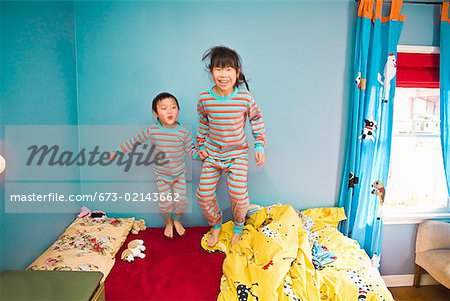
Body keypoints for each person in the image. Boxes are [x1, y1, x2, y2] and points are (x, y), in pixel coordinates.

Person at [196, 46, 266, 247]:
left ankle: (238, 225)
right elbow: (203, 121)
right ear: (211, 72)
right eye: (218, 69)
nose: (223, 74)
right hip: (213, 154)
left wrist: (259, 145)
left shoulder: (244, 98)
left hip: (237, 156)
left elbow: (257, 118)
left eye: (228, 69)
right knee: (204, 194)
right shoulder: (204, 99)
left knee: (238, 195)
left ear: (237, 72)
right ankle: (216, 224)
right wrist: (201, 145)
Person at [112, 92, 207, 239]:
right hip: (161, 175)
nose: (170, 111)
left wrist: (201, 156)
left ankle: (176, 220)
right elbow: (134, 141)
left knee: (181, 202)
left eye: (173, 107)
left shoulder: (183, 132)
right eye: (164, 108)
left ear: (178, 110)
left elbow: (191, 151)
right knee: (165, 204)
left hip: (179, 174)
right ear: (155, 113)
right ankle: (168, 222)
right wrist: (119, 151)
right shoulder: (152, 130)